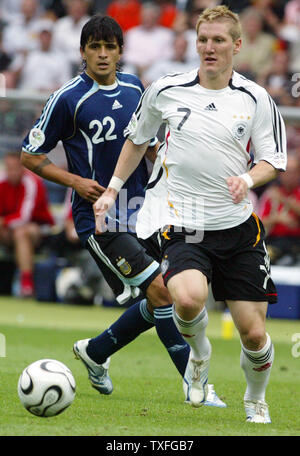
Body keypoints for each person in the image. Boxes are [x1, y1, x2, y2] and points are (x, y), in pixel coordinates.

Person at [93, 6, 287, 423]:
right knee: (185, 299)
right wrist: (111, 191)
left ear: (237, 45)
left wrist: (249, 181)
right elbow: (136, 140)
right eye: (203, 40)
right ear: (195, 43)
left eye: (219, 40)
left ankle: (256, 398)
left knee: (253, 335)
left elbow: (273, 160)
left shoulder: (256, 98)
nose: (209, 48)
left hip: (238, 230)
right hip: (183, 224)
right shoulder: (166, 88)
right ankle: (200, 355)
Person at [21, 14, 224, 407]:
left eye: (109, 47)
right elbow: (30, 155)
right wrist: (76, 182)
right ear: (81, 52)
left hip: (143, 210)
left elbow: (149, 141)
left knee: (155, 300)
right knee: (164, 294)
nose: (101, 54)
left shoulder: (135, 87)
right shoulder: (67, 98)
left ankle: (95, 352)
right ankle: (194, 384)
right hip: (99, 217)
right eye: (94, 47)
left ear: (119, 52)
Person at [0, 151, 55, 297]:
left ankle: (26, 285)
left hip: (38, 231)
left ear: (22, 167)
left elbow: (24, 217)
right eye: (8, 168)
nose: (11, 172)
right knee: (16, 231)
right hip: (9, 230)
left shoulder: (32, 182)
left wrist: (4, 222)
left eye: (15, 168)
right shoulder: (1, 181)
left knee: (21, 232)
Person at [258, 154, 300, 265]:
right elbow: (259, 222)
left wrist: (285, 201)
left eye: (293, 171)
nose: (289, 176)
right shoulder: (271, 194)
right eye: (286, 172)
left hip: (296, 242)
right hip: (274, 241)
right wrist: (276, 218)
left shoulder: (293, 193)